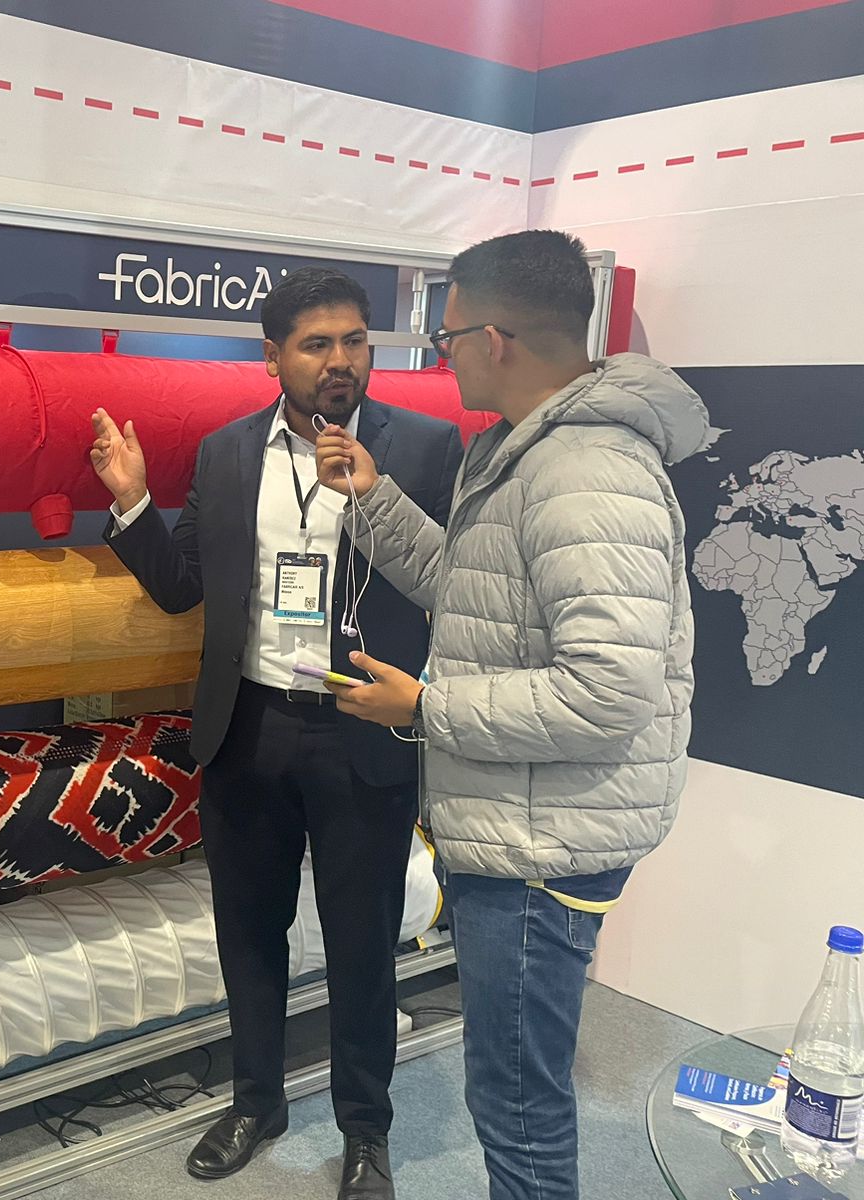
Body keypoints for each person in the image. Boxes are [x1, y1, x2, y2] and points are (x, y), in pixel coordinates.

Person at [315, 230, 709, 1200]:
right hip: (522, 821)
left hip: (542, 848)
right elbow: (472, 590)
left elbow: (605, 692)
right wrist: (374, 499)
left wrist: (425, 706)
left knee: (517, 1103)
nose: (440, 356)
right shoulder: (523, 452)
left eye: (445, 338)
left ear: (494, 340)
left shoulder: (586, 472)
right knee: (510, 1085)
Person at [91, 267, 463, 1198]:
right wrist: (131, 502)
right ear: (272, 357)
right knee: (249, 931)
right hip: (249, 727)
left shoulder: (424, 447)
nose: (341, 361)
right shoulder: (225, 455)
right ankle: (255, 1101)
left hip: (361, 727)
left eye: (355, 342)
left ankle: (366, 1131)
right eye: (316, 344)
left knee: (362, 943)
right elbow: (181, 586)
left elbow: (456, 588)